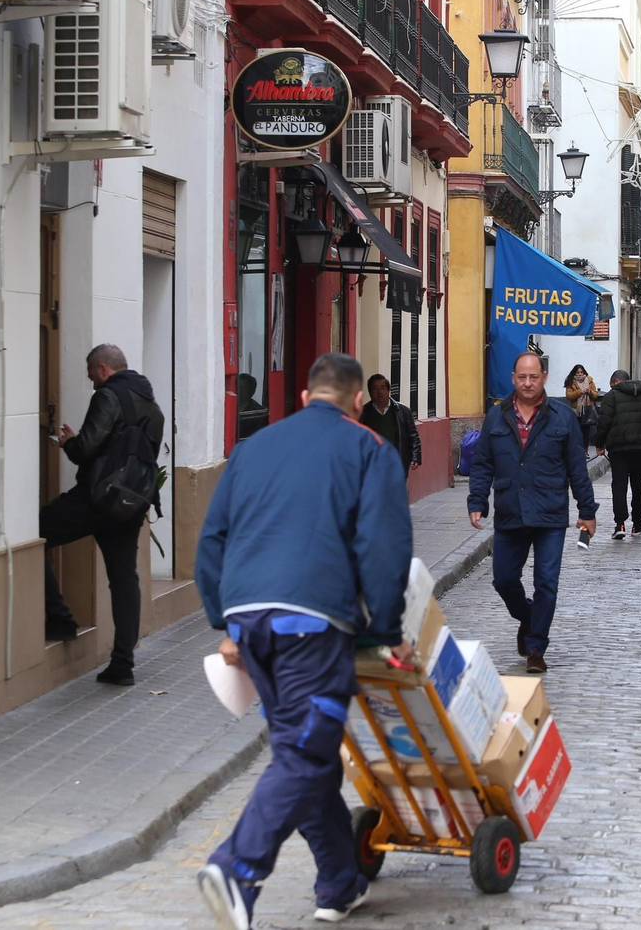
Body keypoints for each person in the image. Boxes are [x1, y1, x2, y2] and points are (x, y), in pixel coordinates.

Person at [193, 353, 413, 929]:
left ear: (305, 395)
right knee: (304, 751)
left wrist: (225, 622)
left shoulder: (252, 448)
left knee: (305, 749)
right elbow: (383, 547)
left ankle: (340, 883)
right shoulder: (369, 450)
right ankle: (237, 870)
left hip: (250, 618)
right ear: (358, 402)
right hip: (311, 622)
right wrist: (387, 632)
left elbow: (212, 539)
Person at [468, 352, 598, 673]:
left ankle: (536, 646)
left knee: (546, 583)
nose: (528, 383)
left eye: (534, 377)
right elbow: (483, 464)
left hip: (550, 513)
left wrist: (587, 510)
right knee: (504, 580)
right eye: (522, 377)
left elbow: (577, 469)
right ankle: (528, 618)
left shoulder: (562, 417)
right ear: (513, 379)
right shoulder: (497, 417)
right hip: (510, 512)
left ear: (544, 378)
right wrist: (477, 501)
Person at [42, 344, 164, 686]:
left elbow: (86, 450)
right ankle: (122, 664)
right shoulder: (152, 405)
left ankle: (59, 620)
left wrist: (68, 442)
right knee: (125, 580)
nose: (89, 379)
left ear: (103, 369)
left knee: (36, 534)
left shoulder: (108, 397)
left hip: (95, 500)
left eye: (90, 372)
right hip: (130, 505)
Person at [593, 370, 641, 539]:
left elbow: (604, 422)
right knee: (638, 487)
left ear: (616, 381)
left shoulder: (612, 396)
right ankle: (637, 524)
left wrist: (599, 444)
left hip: (618, 449)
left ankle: (620, 524)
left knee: (619, 485)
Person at [359, 374, 421, 479]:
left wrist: (415, 457)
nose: (379, 392)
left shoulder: (403, 411)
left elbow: (413, 435)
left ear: (388, 390)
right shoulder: (363, 413)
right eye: (375, 389)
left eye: (382, 388)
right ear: (369, 392)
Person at [564, 364, 601, 454]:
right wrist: (580, 392)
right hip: (576, 410)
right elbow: (569, 396)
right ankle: (576, 450)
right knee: (576, 431)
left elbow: (596, 395)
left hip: (587, 409)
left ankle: (585, 451)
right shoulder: (571, 382)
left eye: (581, 372)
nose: (580, 374)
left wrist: (590, 392)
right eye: (577, 373)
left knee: (586, 431)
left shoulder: (589, 380)